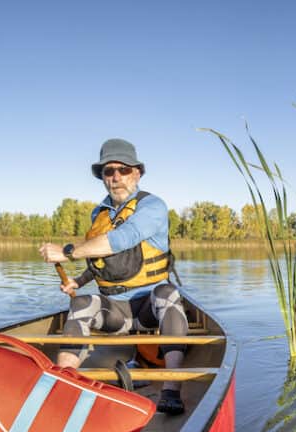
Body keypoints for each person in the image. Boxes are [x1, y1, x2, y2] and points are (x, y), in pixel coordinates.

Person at [39, 138, 187, 415]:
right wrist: (78, 282)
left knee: (169, 295)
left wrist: (67, 251)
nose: (116, 176)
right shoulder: (100, 212)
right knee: (81, 303)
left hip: (148, 309)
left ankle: (171, 389)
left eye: (124, 169)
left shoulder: (153, 206)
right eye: (109, 171)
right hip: (116, 311)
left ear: (137, 173)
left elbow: (123, 239)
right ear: (103, 178)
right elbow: (101, 259)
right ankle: (63, 385)